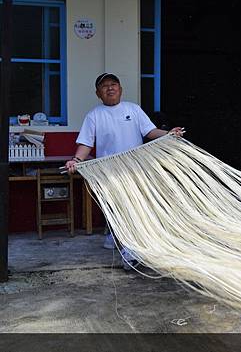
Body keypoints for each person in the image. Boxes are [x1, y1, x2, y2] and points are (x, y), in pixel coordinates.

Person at [65, 72, 183, 270]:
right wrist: (76, 160)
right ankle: (121, 241)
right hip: (109, 171)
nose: (110, 88)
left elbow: (150, 132)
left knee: (133, 208)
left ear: (121, 89)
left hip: (135, 169)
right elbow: (86, 143)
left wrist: (168, 134)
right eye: (104, 86)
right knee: (116, 208)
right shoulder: (94, 115)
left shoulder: (133, 110)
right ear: (98, 93)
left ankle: (130, 252)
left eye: (114, 84)